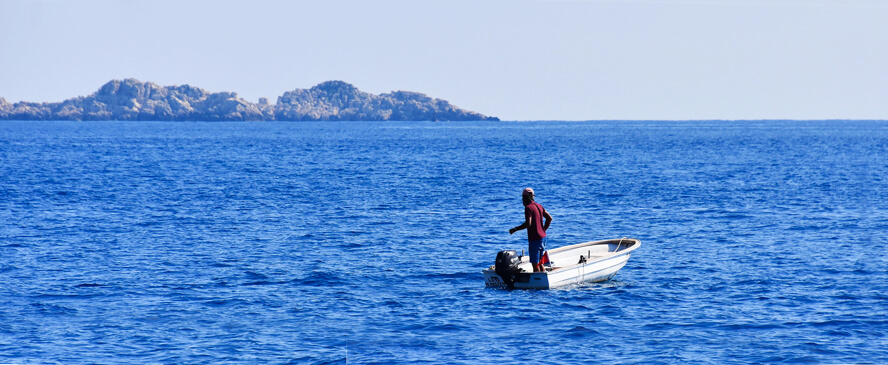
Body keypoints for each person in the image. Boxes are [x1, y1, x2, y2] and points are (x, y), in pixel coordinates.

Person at [509, 188, 553, 272]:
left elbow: (528, 223)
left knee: (535, 263)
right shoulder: (539, 206)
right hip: (543, 238)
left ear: (525, 198)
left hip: (535, 239)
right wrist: (543, 230)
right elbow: (549, 218)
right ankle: (543, 279)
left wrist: (515, 229)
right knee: (540, 262)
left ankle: (538, 283)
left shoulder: (528, 208)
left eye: (523, 197)